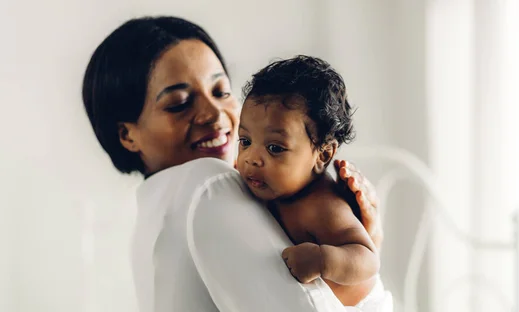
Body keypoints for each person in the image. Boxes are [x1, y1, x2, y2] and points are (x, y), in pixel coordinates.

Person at [82, 16, 386, 312]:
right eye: (179, 103)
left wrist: (350, 256)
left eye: (221, 92)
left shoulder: (152, 215)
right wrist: (364, 279)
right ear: (127, 135)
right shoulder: (209, 183)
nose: (215, 115)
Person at [237, 55, 389, 310]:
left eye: (274, 148)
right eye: (245, 141)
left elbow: (368, 260)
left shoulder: (323, 205)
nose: (252, 159)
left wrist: (323, 259)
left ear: (323, 154)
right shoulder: (267, 184)